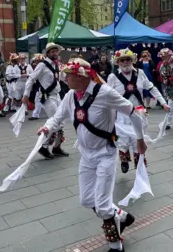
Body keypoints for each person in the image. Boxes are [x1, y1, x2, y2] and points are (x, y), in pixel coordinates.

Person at [37, 58, 143, 252]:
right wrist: (47, 127)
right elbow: (57, 117)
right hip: (86, 156)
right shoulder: (70, 96)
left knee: (102, 205)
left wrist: (140, 140)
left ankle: (115, 245)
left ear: (81, 76)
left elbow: (133, 112)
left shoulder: (105, 93)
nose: (65, 78)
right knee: (86, 200)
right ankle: (121, 216)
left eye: (69, 75)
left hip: (105, 154)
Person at [107, 48, 169, 174]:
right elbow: (107, 96)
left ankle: (140, 164)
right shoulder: (112, 77)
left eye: (128, 59)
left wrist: (163, 103)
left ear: (132, 60)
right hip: (121, 115)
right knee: (121, 139)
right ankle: (124, 159)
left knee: (138, 139)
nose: (125, 62)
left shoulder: (140, 73)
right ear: (118, 62)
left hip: (139, 113)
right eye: (122, 60)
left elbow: (152, 88)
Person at [22, 43, 68, 159]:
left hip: (57, 95)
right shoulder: (42, 65)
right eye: (52, 52)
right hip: (47, 97)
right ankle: (43, 146)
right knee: (56, 122)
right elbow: (31, 78)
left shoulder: (57, 64)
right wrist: (26, 95)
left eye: (56, 51)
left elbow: (62, 78)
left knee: (60, 121)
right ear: (47, 53)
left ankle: (56, 147)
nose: (55, 53)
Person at [28, 54, 44, 121]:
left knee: (38, 100)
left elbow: (34, 76)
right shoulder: (42, 66)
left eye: (36, 60)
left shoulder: (41, 66)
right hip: (41, 85)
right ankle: (35, 114)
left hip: (42, 86)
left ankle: (35, 115)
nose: (35, 62)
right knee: (38, 100)